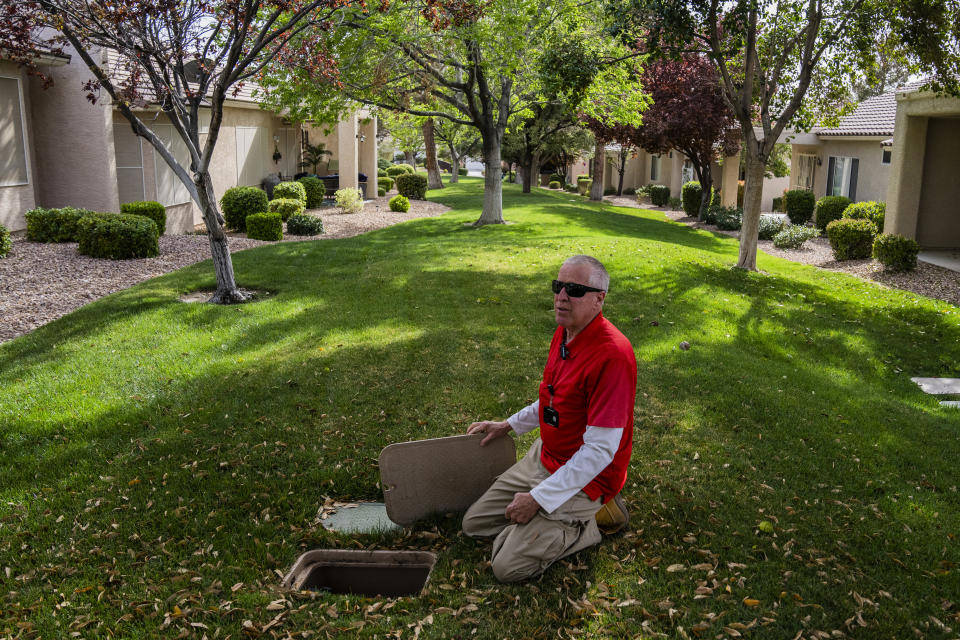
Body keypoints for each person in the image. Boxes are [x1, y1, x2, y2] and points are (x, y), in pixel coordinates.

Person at [462, 255, 637, 583]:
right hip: (545, 457)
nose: (561, 296)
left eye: (574, 289)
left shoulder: (612, 355)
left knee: (505, 566)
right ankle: (545, 518)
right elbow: (554, 399)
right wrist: (508, 425)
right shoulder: (566, 332)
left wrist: (539, 498)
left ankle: (590, 524)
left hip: (588, 479)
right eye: (558, 286)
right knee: (474, 526)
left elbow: (600, 451)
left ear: (600, 299)